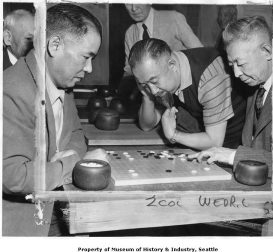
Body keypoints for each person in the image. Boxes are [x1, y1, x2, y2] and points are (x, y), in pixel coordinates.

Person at [3, 3, 107, 236]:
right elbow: (13, 176)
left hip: (63, 209)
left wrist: (68, 155)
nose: (89, 68)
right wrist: (71, 165)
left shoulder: (63, 82)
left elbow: (78, 134)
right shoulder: (10, 89)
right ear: (55, 45)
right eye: (85, 57)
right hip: (28, 226)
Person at [189, 16, 273, 187]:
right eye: (231, 64)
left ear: (267, 51)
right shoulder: (256, 82)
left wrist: (232, 156)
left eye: (241, 64)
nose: (237, 73)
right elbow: (254, 144)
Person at [128, 38, 246, 150]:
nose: (153, 91)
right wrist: (146, 94)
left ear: (172, 65)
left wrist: (174, 135)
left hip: (234, 143)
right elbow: (147, 125)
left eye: (154, 81)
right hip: (201, 135)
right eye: (144, 84)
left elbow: (215, 142)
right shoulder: (162, 74)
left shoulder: (210, 77)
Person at [118, 4, 203, 104]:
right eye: (128, 2)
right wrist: (119, 94)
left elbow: (200, 53)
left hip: (184, 98)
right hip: (154, 99)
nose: (134, 8)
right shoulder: (130, 32)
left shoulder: (173, 18)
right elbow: (129, 70)